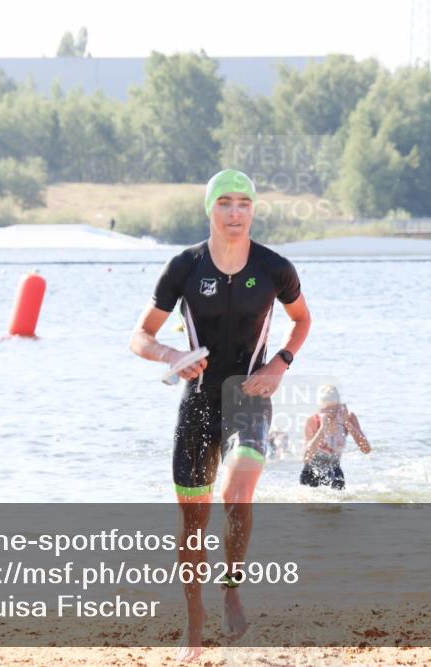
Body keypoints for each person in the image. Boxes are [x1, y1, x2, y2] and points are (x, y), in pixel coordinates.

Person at [129, 168, 311, 661]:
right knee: (192, 521)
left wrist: (280, 363)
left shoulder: (275, 268)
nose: (235, 212)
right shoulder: (183, 268)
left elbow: (301, 320)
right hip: (199, 401)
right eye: (224, 203)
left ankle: (231, 586)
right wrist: (170, 357)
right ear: (209, 210)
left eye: (243, 203)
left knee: (239, 489)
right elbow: (139, 336)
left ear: (253, 210)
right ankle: (194, 618)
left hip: (249, 394)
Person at [299, 385, 370, 490]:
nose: (330, 413)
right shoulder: (313, 421)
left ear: (339, 406)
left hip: (335, 470)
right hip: (311, 471)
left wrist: (347, 424)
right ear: (320, 408)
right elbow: (306, 458)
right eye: (326, 408)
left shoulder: (348, 417)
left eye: (334, 407)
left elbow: (366, 449)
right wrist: (322, 430)